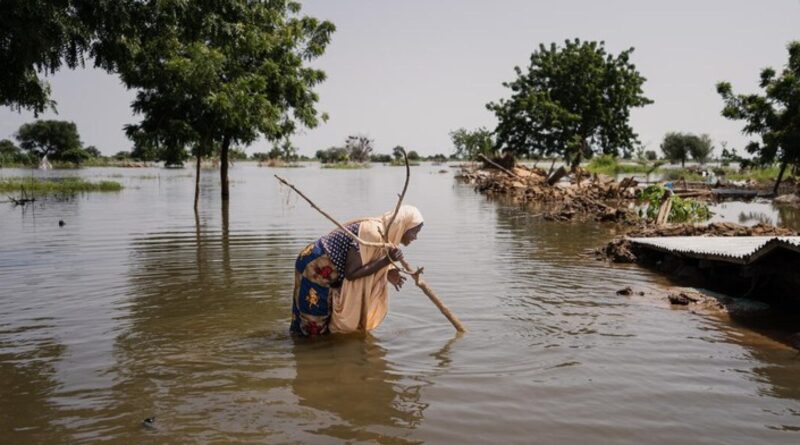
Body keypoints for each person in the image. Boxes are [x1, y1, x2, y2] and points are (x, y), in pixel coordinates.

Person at [290, 205, 424, 336]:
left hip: (319, 266)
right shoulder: (372, 232)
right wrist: (386, 261)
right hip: (316, 267)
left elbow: (368, 260)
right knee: (313, 328)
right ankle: (308, 352)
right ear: (403, 226)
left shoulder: (383, 237)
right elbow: (352, 273)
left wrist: (387, 271)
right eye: (415, 231)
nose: (415, 237)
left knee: (306, 323)